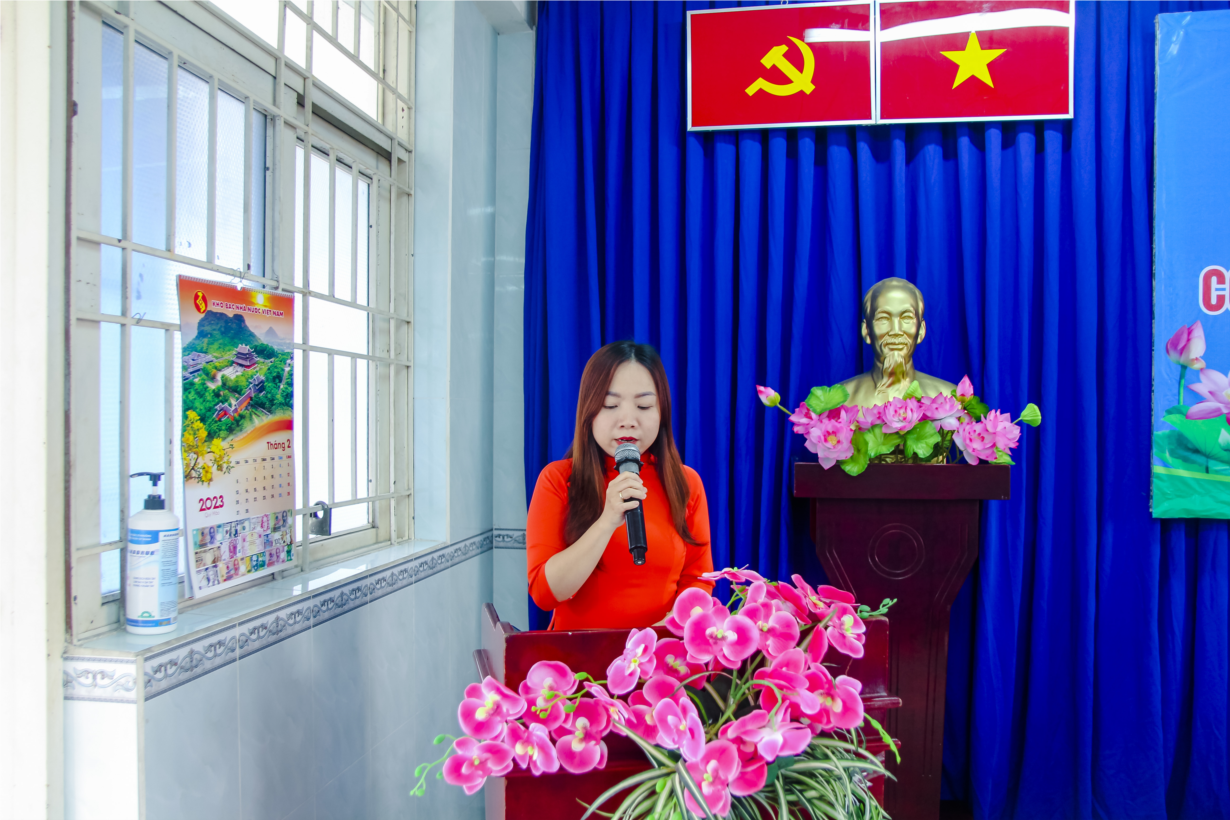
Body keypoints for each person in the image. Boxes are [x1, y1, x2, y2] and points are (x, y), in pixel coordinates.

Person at [526, 341, 714, 630]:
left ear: (662, 411)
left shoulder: (686, 483)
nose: (628, 421)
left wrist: (666, 632)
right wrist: (607, 521)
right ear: (589, 411)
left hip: (659, 652)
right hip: (576, 653)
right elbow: (544, 593)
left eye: (644, 406)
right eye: (610, 405)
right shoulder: (557, 479)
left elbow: (698, 582)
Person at [837, 277, 957, 406]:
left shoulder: (952, 400)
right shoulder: (838, 403)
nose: (896, 330)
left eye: (906, 318)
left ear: (921, 330)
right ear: (866, 330)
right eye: (883, 318)